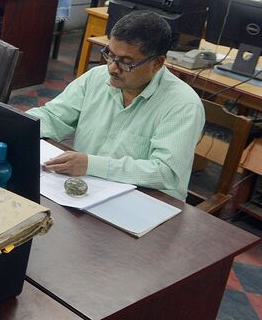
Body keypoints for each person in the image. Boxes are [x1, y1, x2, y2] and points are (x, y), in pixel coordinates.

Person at [28, 11, 204, 202]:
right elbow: (53, 117)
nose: (112, 67)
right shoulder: (97, 77)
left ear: (157, 63)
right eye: (110, 55)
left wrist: (91, 165)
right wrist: (20, 126)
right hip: (87, 190)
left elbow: (166, 173)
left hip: (147, 202)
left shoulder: (182, 105)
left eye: (126, 62)